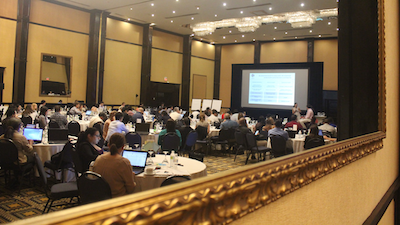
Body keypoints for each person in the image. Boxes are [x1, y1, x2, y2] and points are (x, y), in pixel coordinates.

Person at [93, 133, 136, 198]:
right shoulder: (124, 162)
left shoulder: (99, 159)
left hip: (99, 198)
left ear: (108, 145)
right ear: (123, 147)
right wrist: (132, 177)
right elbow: (130, 189)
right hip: (117, 199)